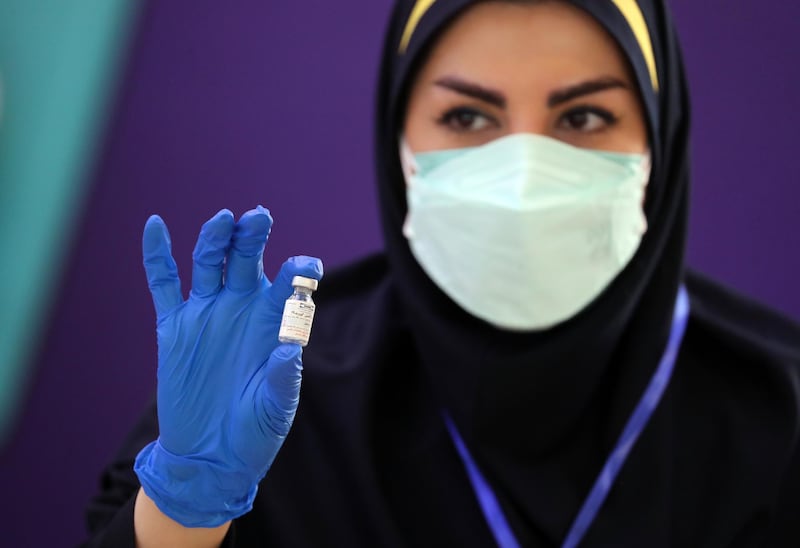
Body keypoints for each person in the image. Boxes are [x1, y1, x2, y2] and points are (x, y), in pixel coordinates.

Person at [81, 0, 800, 546]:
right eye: (467, 117)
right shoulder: (276, 390)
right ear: (398, 142)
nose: (523, 177)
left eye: (582, 117)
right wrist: (184, 506)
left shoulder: (783, 410)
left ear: (661, 136)